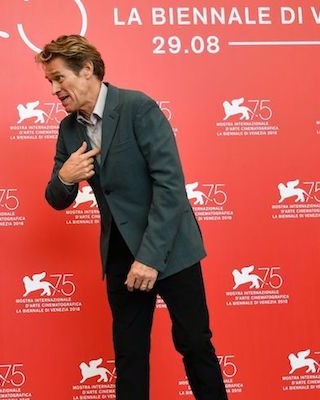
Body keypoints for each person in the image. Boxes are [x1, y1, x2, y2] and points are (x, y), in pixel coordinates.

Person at [37, 35, 227, 399]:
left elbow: (170, 187)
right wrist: (65, 177)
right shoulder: (68, 129)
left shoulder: (137, 106)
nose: (53, 90)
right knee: (129, 355)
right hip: (121, 254)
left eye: (59, 78)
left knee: (194, 344)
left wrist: (150, 259)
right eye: (49, 81)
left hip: (171, 246)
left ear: (87, 70)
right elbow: (56, 199)